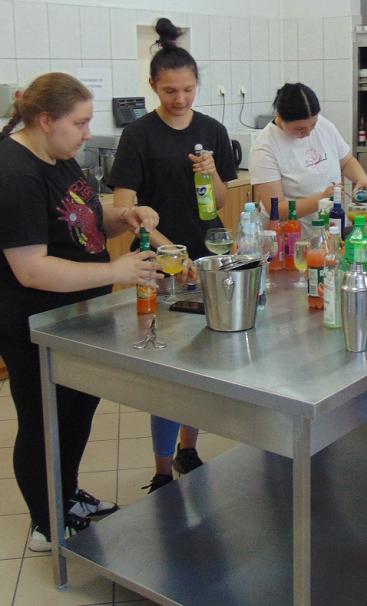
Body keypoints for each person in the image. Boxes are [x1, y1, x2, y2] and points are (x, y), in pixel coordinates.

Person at [0, 72, 161, 551]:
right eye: (81, 123)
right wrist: (120, 269)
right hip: (35, 322)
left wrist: (124, 216)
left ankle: (66, 495)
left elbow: (81, 223)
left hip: (76, 316)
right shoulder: (15, 173)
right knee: (43, 420)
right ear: (46, 120)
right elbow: (32, 269)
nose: (89, 132)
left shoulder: (59, 155)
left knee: (76, 410)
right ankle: (47, 522)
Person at [109, 18, 238, 492]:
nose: (180, 99)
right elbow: (124, 208)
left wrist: (211, 172)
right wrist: (169, 251)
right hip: (158, 260)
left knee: (201, 360)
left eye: (186, 89)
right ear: (152, 87)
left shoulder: (213, 130)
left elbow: (222, 202)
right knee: (165, 367)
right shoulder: (140, 135)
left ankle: (189, 448)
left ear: (197, 85)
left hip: (207, 255)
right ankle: (162, 471)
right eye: (169, 91)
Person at [249, 83, 367, 234]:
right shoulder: (265, 147)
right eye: (299, 129)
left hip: (330, 231)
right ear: (281, 118)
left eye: (313, 125)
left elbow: (346, 161)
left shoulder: (324, 125)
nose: (308, 133)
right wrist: (321, 199)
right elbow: (276, 209)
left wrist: (362, 178)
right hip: (291, 238)